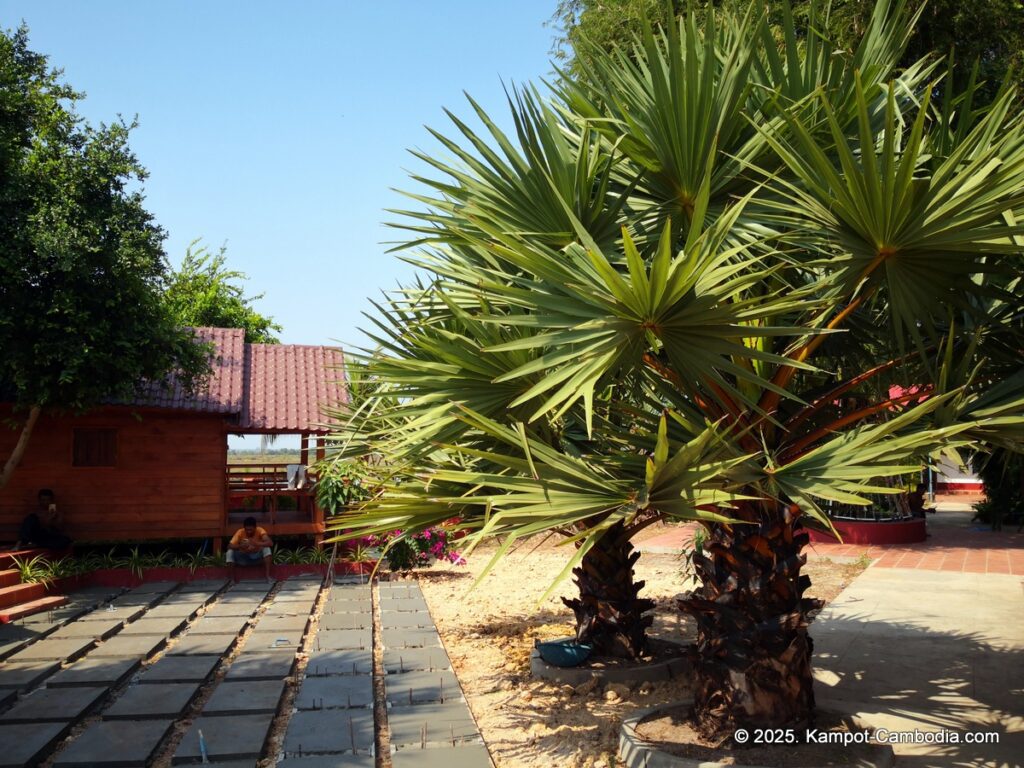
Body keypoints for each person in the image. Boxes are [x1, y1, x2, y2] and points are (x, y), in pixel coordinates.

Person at [226, 516, 274, 582]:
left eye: (250, 530)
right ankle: (231, 579)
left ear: (255, 528)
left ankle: (268, 576)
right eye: (247, 530)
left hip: (257, 557)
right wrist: (240, 546)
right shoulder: (240, 532)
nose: (248, 532)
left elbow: (270, 543)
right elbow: (229, 546)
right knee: (229, 552)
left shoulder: (260, 530)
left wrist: (256, 543)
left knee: (267, 549)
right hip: (243, 558)